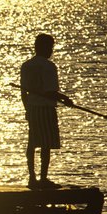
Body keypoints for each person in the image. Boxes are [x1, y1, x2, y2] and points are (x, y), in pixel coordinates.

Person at [20, 33, 73, 189]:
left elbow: (24, 92)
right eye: (51, 47)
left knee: (32, 143)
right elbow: (51, 92)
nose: (52, 50)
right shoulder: (49, 66)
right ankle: (43, 179)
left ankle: (32, 178)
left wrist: (27, 109)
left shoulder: (26, 65)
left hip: (32, 107)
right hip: (46, 108)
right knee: (46, 144)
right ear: (45, 48)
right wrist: (65, 99)